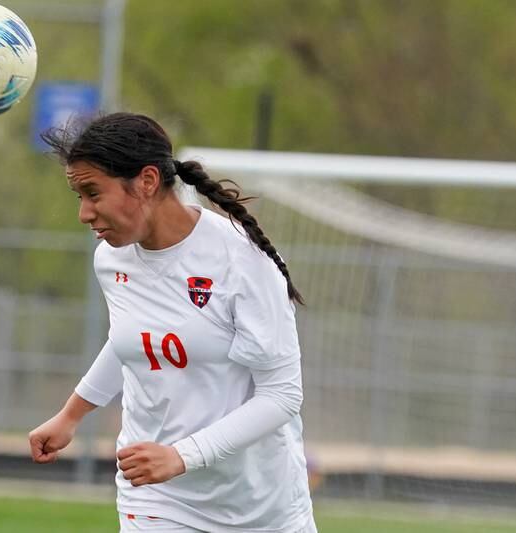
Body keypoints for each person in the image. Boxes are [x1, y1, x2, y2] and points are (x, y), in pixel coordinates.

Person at [28, 113, 317, 532]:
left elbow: (282, 395)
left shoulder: (242, 261)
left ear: (146, 181)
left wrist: (183, 455)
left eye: (93, 193)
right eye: (79, 196)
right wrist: (71, 415)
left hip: (260, 504)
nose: (84, 214)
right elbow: (132, 342)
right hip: (156, 498)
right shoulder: (111, 258)